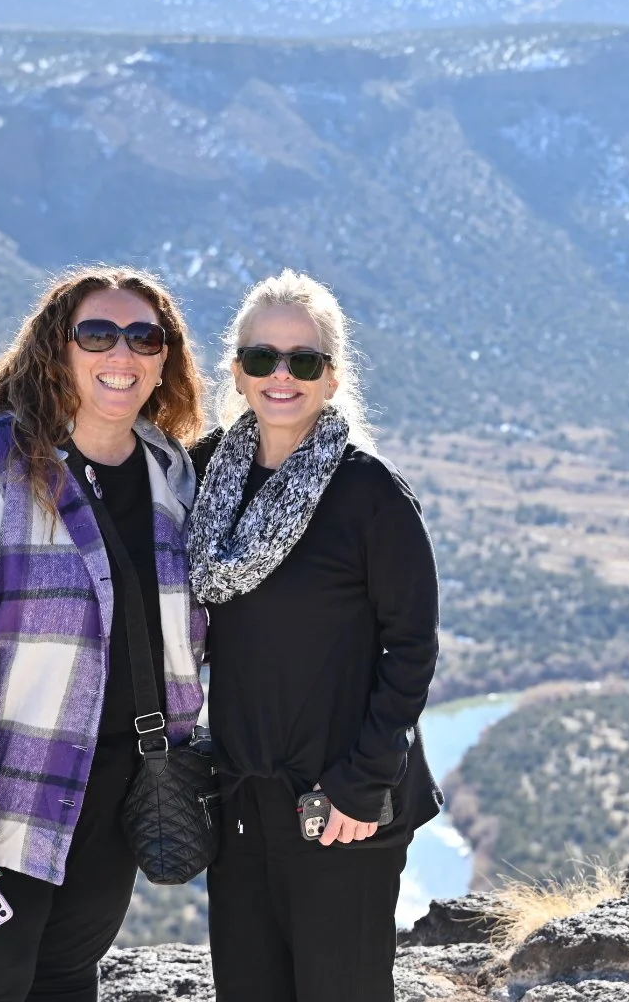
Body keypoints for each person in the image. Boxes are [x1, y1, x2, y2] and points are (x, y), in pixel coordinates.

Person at [0, 267, 207, 1002]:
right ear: (59, 348)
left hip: (114, 780)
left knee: (63, 979)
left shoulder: (168, 472)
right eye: (98, 334)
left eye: (145, 337)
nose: (123, 353)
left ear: (164, 359)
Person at [189, 269, 441, 1002]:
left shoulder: (370, 494)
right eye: (263, 358)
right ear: (236, 372)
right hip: (242, 799)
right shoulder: (205, 479)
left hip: (342, 802)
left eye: (304, 361)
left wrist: (359, 788)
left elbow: (412, 648)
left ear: (331, 378)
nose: (282, 376)